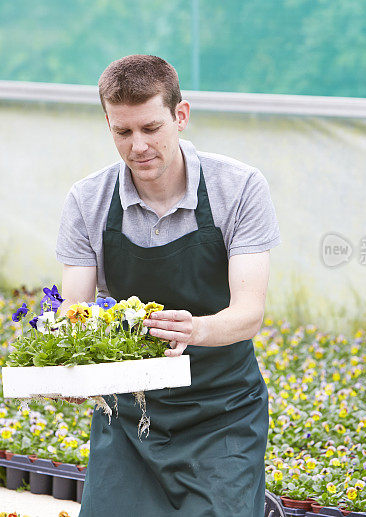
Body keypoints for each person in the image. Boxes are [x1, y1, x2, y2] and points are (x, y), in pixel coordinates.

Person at [55, 54, 280, 516]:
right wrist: (67, 361)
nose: (138, 146)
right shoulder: (87, 201)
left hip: (222, 409)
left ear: (180, 116)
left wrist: (194, 331)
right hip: (129, 413)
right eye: (123, 132)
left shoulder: (238, 188)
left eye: (151, 128)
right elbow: (74, 309)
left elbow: (249, 313)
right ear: (109, 126)